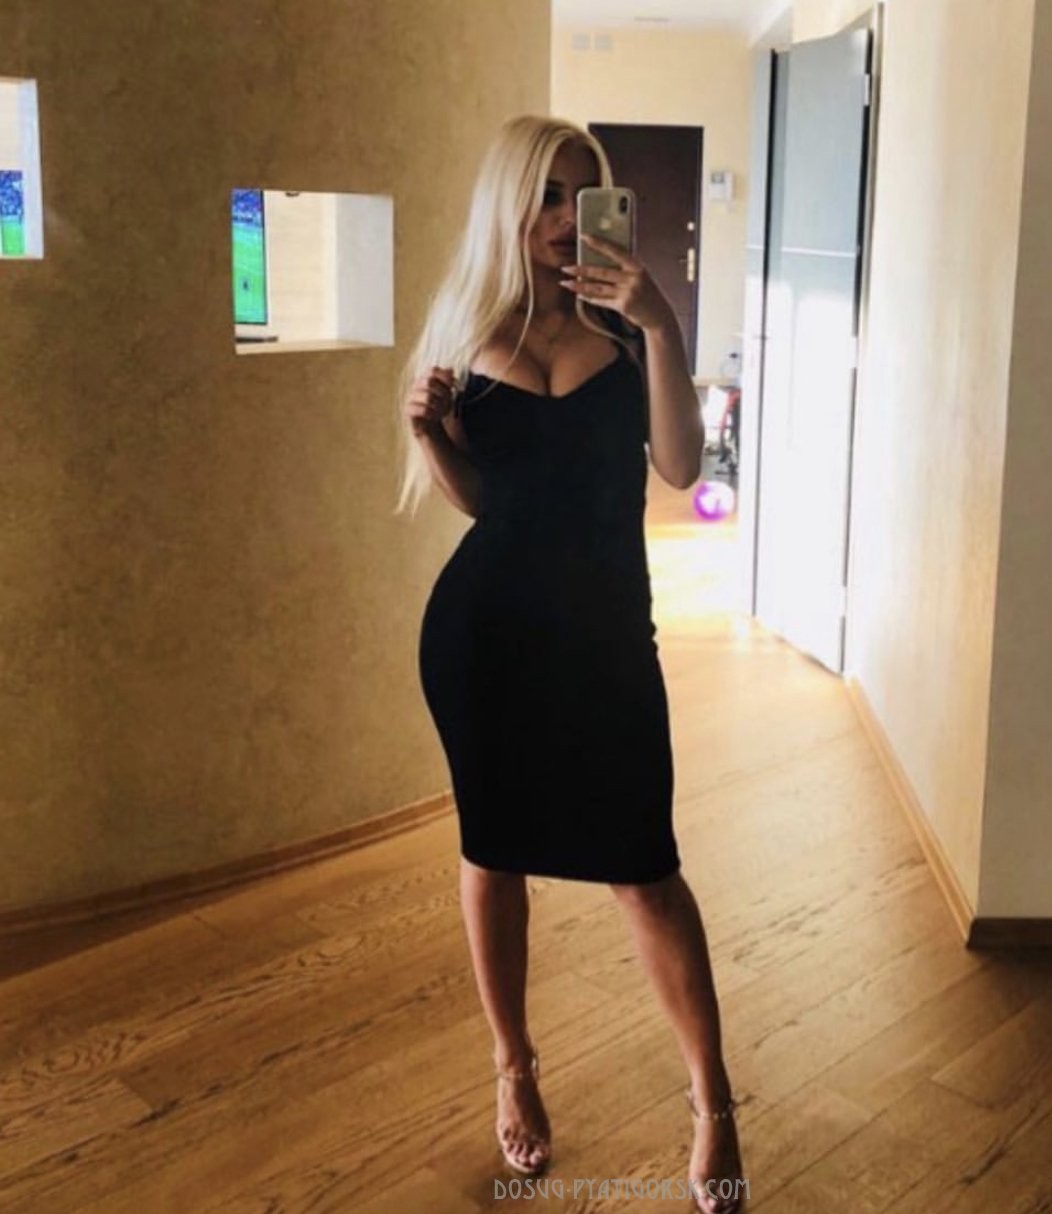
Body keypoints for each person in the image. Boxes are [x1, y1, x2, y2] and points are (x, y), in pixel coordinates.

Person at [396, 114, 746, 1214]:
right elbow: (488, 503)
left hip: (607, 641)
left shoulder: (631, 336)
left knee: (645, 869)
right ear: (509, 203)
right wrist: (430, 436)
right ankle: (514, 1066)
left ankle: (715, 1101)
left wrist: (662, 321)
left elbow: (681, 468)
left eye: (581, 194)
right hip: (486, 637)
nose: (562, 219)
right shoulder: (469, 333)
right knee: (492, 852)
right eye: (545, 195)